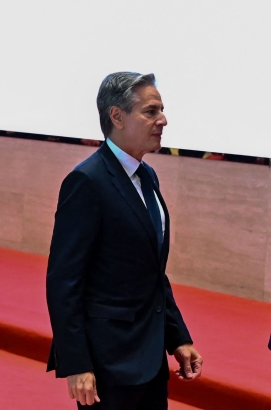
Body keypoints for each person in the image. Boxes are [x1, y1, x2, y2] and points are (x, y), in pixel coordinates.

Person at [46, 72, 203, 409]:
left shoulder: (147, 175)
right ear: (117, 116)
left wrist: (178, 337)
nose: (163, 120)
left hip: (150, 358)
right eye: (151, 111)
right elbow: (64, 281)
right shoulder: (86, 181)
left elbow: (151, 271)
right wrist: (77, 363)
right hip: (108, 363)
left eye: (161, 110)